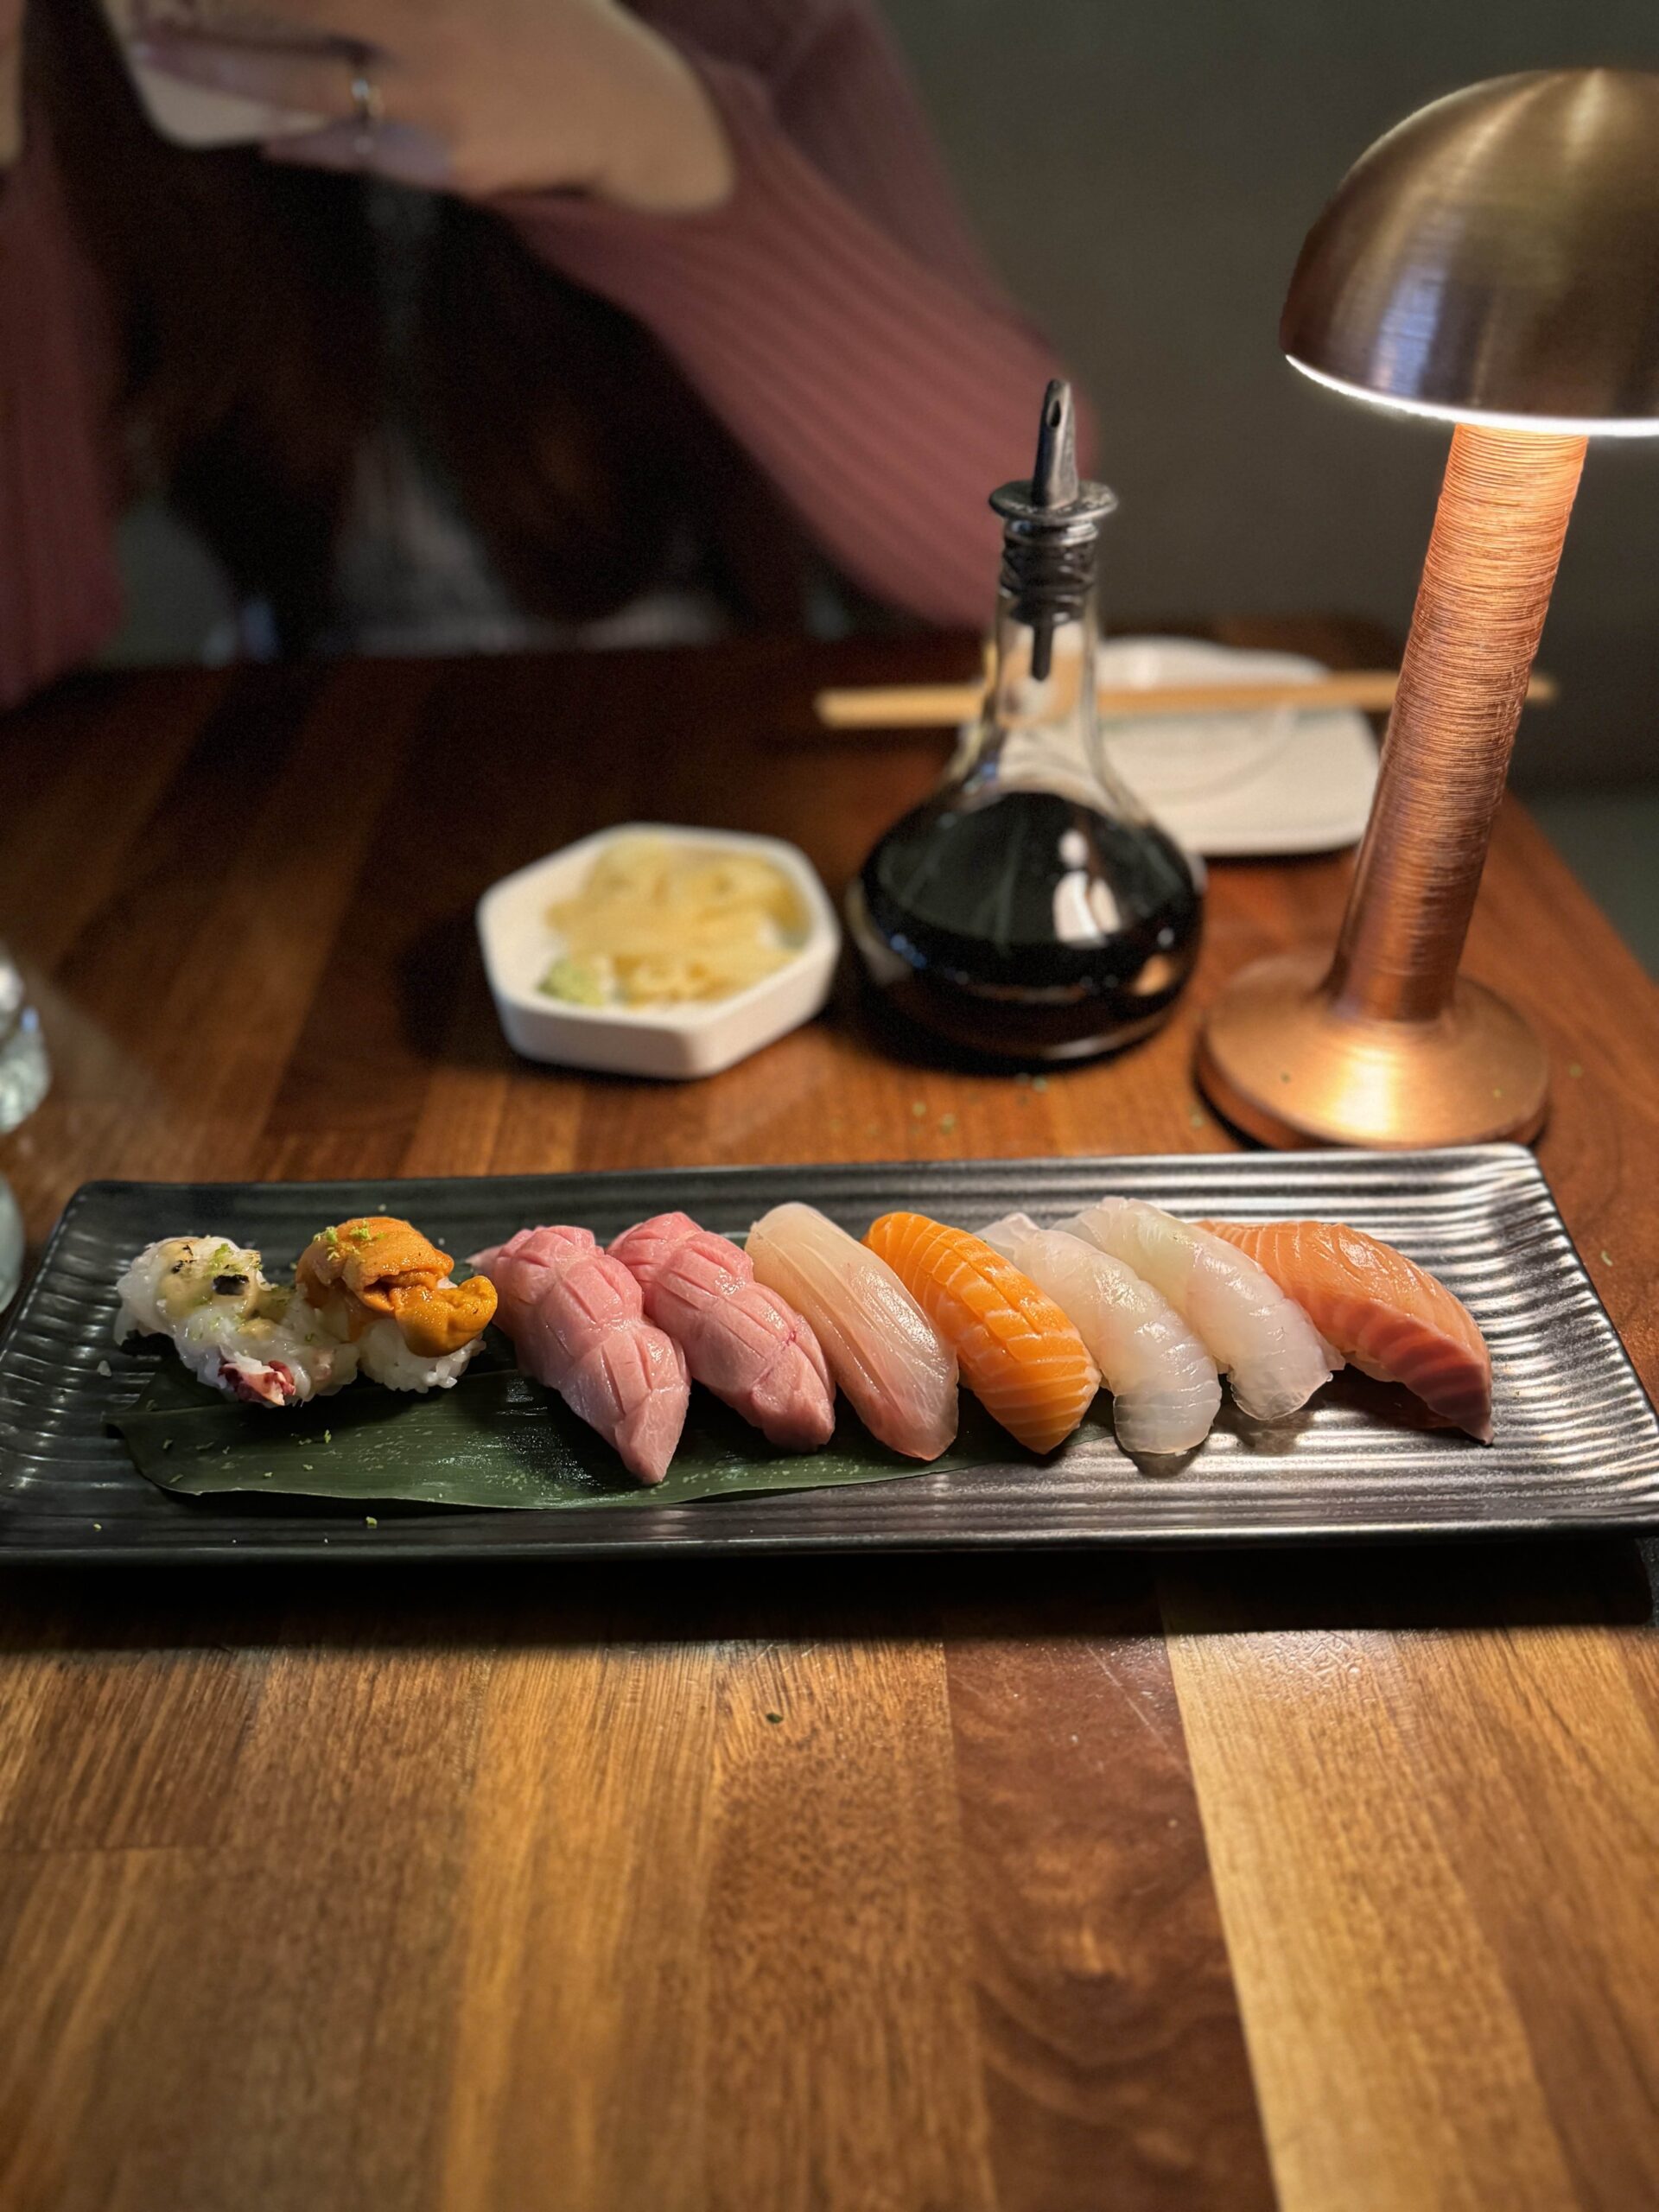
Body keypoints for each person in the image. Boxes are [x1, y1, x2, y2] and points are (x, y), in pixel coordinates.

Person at [0, 0, 1086, 707]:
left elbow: (1012, 539)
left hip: (713, 735)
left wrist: (661, 137)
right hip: (298, 770)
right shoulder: (94, 60)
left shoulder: (751, 22)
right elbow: (26, 639)